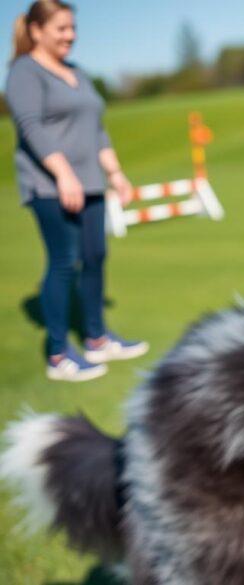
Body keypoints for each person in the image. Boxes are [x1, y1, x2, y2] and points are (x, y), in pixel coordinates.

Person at [6, 1, 148, 382]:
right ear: (36, 31)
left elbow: (96, 128)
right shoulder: (24, 71)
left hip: (90, 183)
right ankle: (57, 355)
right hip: (50, 186)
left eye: (72, 28)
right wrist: (64, 174)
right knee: (64, 261)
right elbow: (31, 127)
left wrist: (115, 173)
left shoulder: (76, 72)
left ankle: (97, 339)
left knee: (96, 255)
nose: (70, 36)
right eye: (61, 29)